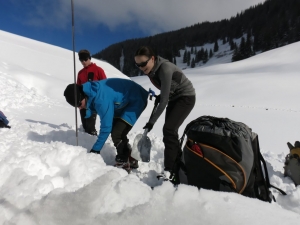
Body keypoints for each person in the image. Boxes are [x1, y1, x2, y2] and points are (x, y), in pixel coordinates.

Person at [134, 46, 196, 184]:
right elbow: (167, 89)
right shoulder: (151, 69)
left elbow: (164, 102)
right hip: (175, 97)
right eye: (137, 65)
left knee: (169, 130)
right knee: (170, 132)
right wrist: (162, 94)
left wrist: (151, 122)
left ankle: (171, 171)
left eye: (143, 63)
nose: (141, 67)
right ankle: (177, 166)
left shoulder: (165, 69)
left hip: (185, 97)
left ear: (152, 58)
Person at [63, 78, 149, 173]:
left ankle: (123, 161)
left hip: (136, 99)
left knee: (117, 133)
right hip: (123, 102)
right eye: (76, 106)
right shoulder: (91, 92)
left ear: (83, 95)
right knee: (117, 130)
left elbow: (106, 128)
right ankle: (130, 157)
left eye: (79, 104)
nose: (80, 107)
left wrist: (96, 150)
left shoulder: (101, 99)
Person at [77, 49, 107, 136]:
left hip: (94, 101)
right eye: (81, 60)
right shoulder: (80, 73)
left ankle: (93, 142)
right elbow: (78, 87)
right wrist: (78, 101)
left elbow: (105, 85)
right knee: (85, 125)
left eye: (85, 59)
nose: (83, 62)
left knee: (90, 126)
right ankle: (85, 143)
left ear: (89, 58)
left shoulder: (98, 70)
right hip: (83, 101)